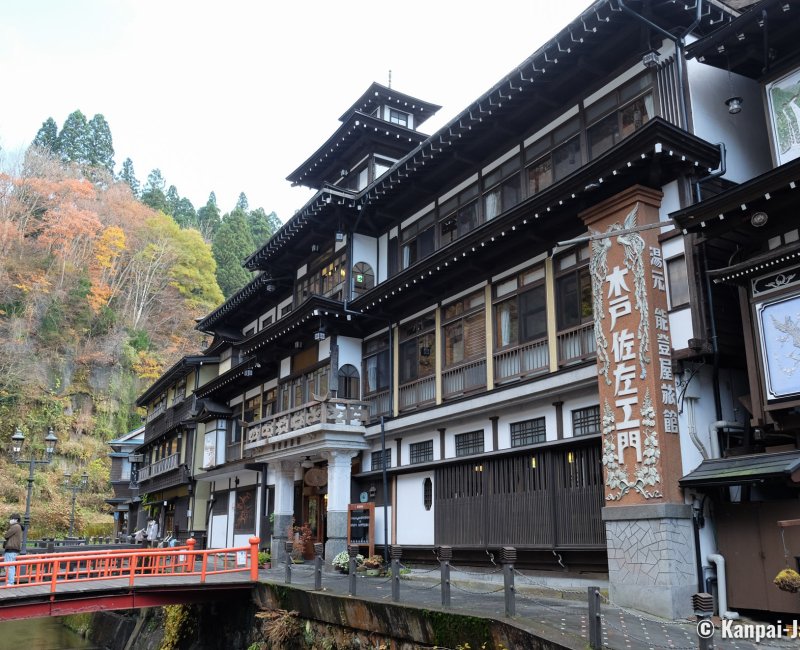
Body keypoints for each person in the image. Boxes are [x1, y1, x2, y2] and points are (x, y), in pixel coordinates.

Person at [3, 514, 23, 586]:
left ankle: (10, 582)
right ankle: (10, 581)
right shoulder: (18, 526)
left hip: (11, 548)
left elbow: (6, 535)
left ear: (16, 519)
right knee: (9, 566)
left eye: (11, 518)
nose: (10, 520)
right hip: (13, 549)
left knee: (10, 566)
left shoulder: (15, 526)